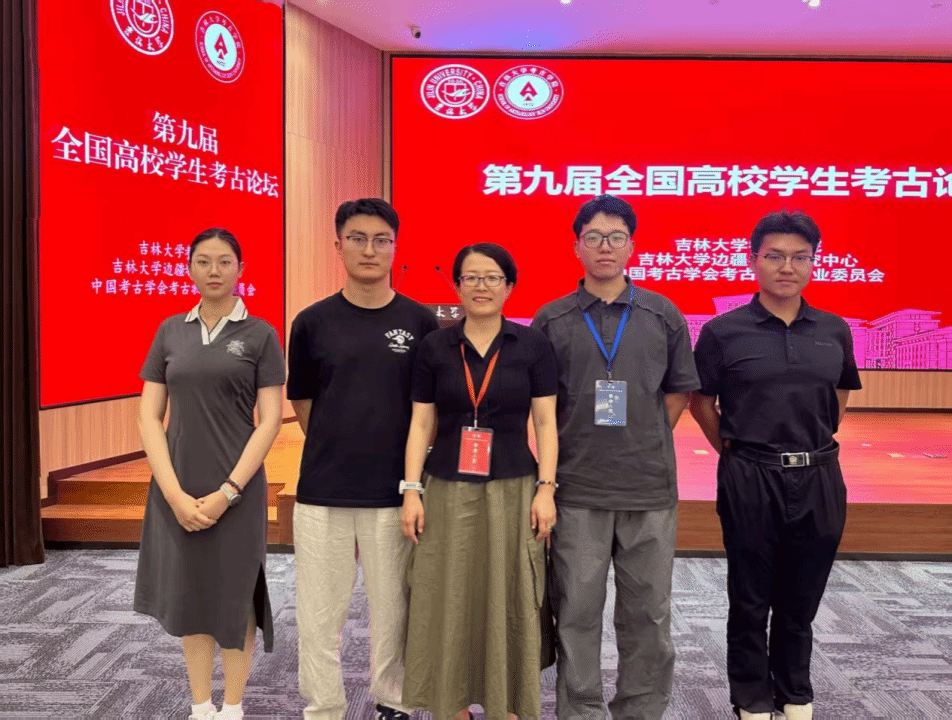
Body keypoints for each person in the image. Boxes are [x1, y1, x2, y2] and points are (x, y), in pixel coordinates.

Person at [531, 194, 700, 720]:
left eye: (616, 237)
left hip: (649, 490)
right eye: (594, 237)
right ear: (576, 246)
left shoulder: (662, 314)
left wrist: (640, 437)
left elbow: (678, 392)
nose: (605, 247)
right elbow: (539, 407)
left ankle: (640, 709)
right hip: (577, 490)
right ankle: (580, 710)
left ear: (631, 245)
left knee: (648, 614)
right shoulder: (552, 319)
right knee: (577, 612)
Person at [690, 211, 862, 720]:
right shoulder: (723, 332)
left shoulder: (833, 329)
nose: (788, 267)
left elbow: (839, 396)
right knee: (750, 596)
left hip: (820, 475)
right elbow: (702, 402)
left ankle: (794, 692)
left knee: (802, 595)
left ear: (813, 263)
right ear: (753, 260)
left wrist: (811, 441)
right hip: (750, 473)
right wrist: (733, 450)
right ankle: (751, 697)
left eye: (800, 257)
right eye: (775, 256)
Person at [287, 198, 439, 720]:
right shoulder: (312, 322)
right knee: (318, 614)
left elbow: (427, 410)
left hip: (394, 493)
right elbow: (304, 403)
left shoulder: (420, 321)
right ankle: (323, 707)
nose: (369, 250)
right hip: (323, 491)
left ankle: (392, 702)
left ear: (395, 247)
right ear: (338, 246)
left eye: (381, 240)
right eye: (357, 239)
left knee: (393, 611)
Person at [401, 242, 559, 720]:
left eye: (492, 277)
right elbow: (421, 424)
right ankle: (451, 704)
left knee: (509, 593)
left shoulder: (532, 345)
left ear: (509, 286)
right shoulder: (435, 347)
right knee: (447, 592)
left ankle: (505, 704)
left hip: (514, 489)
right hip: (446, 489)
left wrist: (546, 488)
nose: (482, 286)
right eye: (471, 277)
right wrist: (411, 490)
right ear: (457, 286)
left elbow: (546, 423)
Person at [134, 227, 286, 720]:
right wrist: (173, 493)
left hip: (237, 487)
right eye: (203, 261)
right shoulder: (169, 331)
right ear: (189, 268)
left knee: (236, 598)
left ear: (241, 269)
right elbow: (149, 417)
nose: (214, 271)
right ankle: (201, 706)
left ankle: (233, 706)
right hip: (177, 485)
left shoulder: (261, 334)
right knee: (191, 596)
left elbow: (270, 421)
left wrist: (229, 491)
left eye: (224, 261)